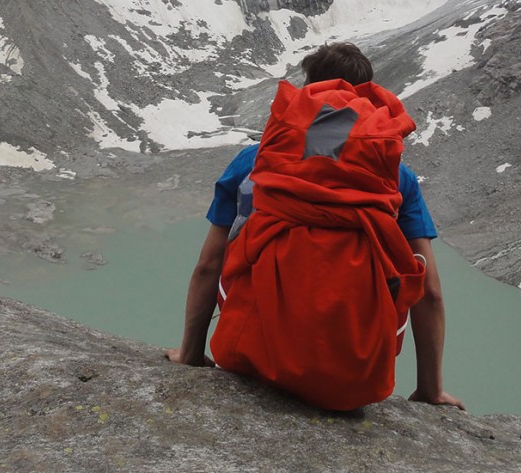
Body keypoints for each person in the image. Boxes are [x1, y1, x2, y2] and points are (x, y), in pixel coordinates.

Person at [165, 42, 464, 410]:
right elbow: (428, 290)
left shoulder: (254, 161)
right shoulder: (396, 181)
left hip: (249, 359)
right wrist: (430, 391)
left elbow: (209, 264)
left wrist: (190, 355)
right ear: (365, 97)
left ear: (309, 90)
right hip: (352, 383)